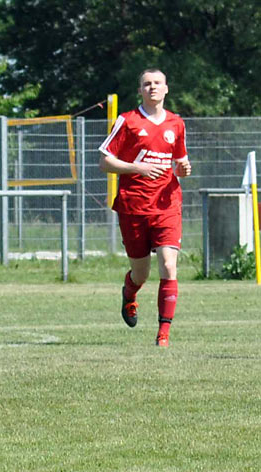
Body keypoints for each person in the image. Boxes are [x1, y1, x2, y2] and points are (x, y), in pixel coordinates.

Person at [99, 68, 192, 347]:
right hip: (134, 206)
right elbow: (104, 161)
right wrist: (135, 167)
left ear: (166, 89)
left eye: (157, 83)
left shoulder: (176, 123)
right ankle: (129, 294)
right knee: (142, 273)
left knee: (168, 265)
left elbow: (180, 164)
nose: (152, 87)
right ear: (140, 90)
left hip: (167, 204)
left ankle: (163, 333)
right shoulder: (127, 121)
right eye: (146, 84)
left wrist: (184, 169)